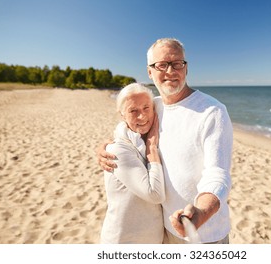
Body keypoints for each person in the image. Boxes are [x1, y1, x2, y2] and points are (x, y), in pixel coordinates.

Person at [98, 38, 233, 244]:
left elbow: (217, 173)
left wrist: (201, 212)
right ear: (150, 72)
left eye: (177, 63)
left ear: (186, 68)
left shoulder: (212, 111)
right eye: (162, 65)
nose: (170, 70)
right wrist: (105, 146)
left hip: (203, 233)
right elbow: (129, 130)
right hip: (165, 230)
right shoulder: (153, 107)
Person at [100, 83, 165, 244]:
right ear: (122, 114)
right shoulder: (118, 150)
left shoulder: (150, 139)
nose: (142, 116)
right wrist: (151, 149)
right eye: (133, 111)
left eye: (146, 108)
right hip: (125, 241)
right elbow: (154, 194)